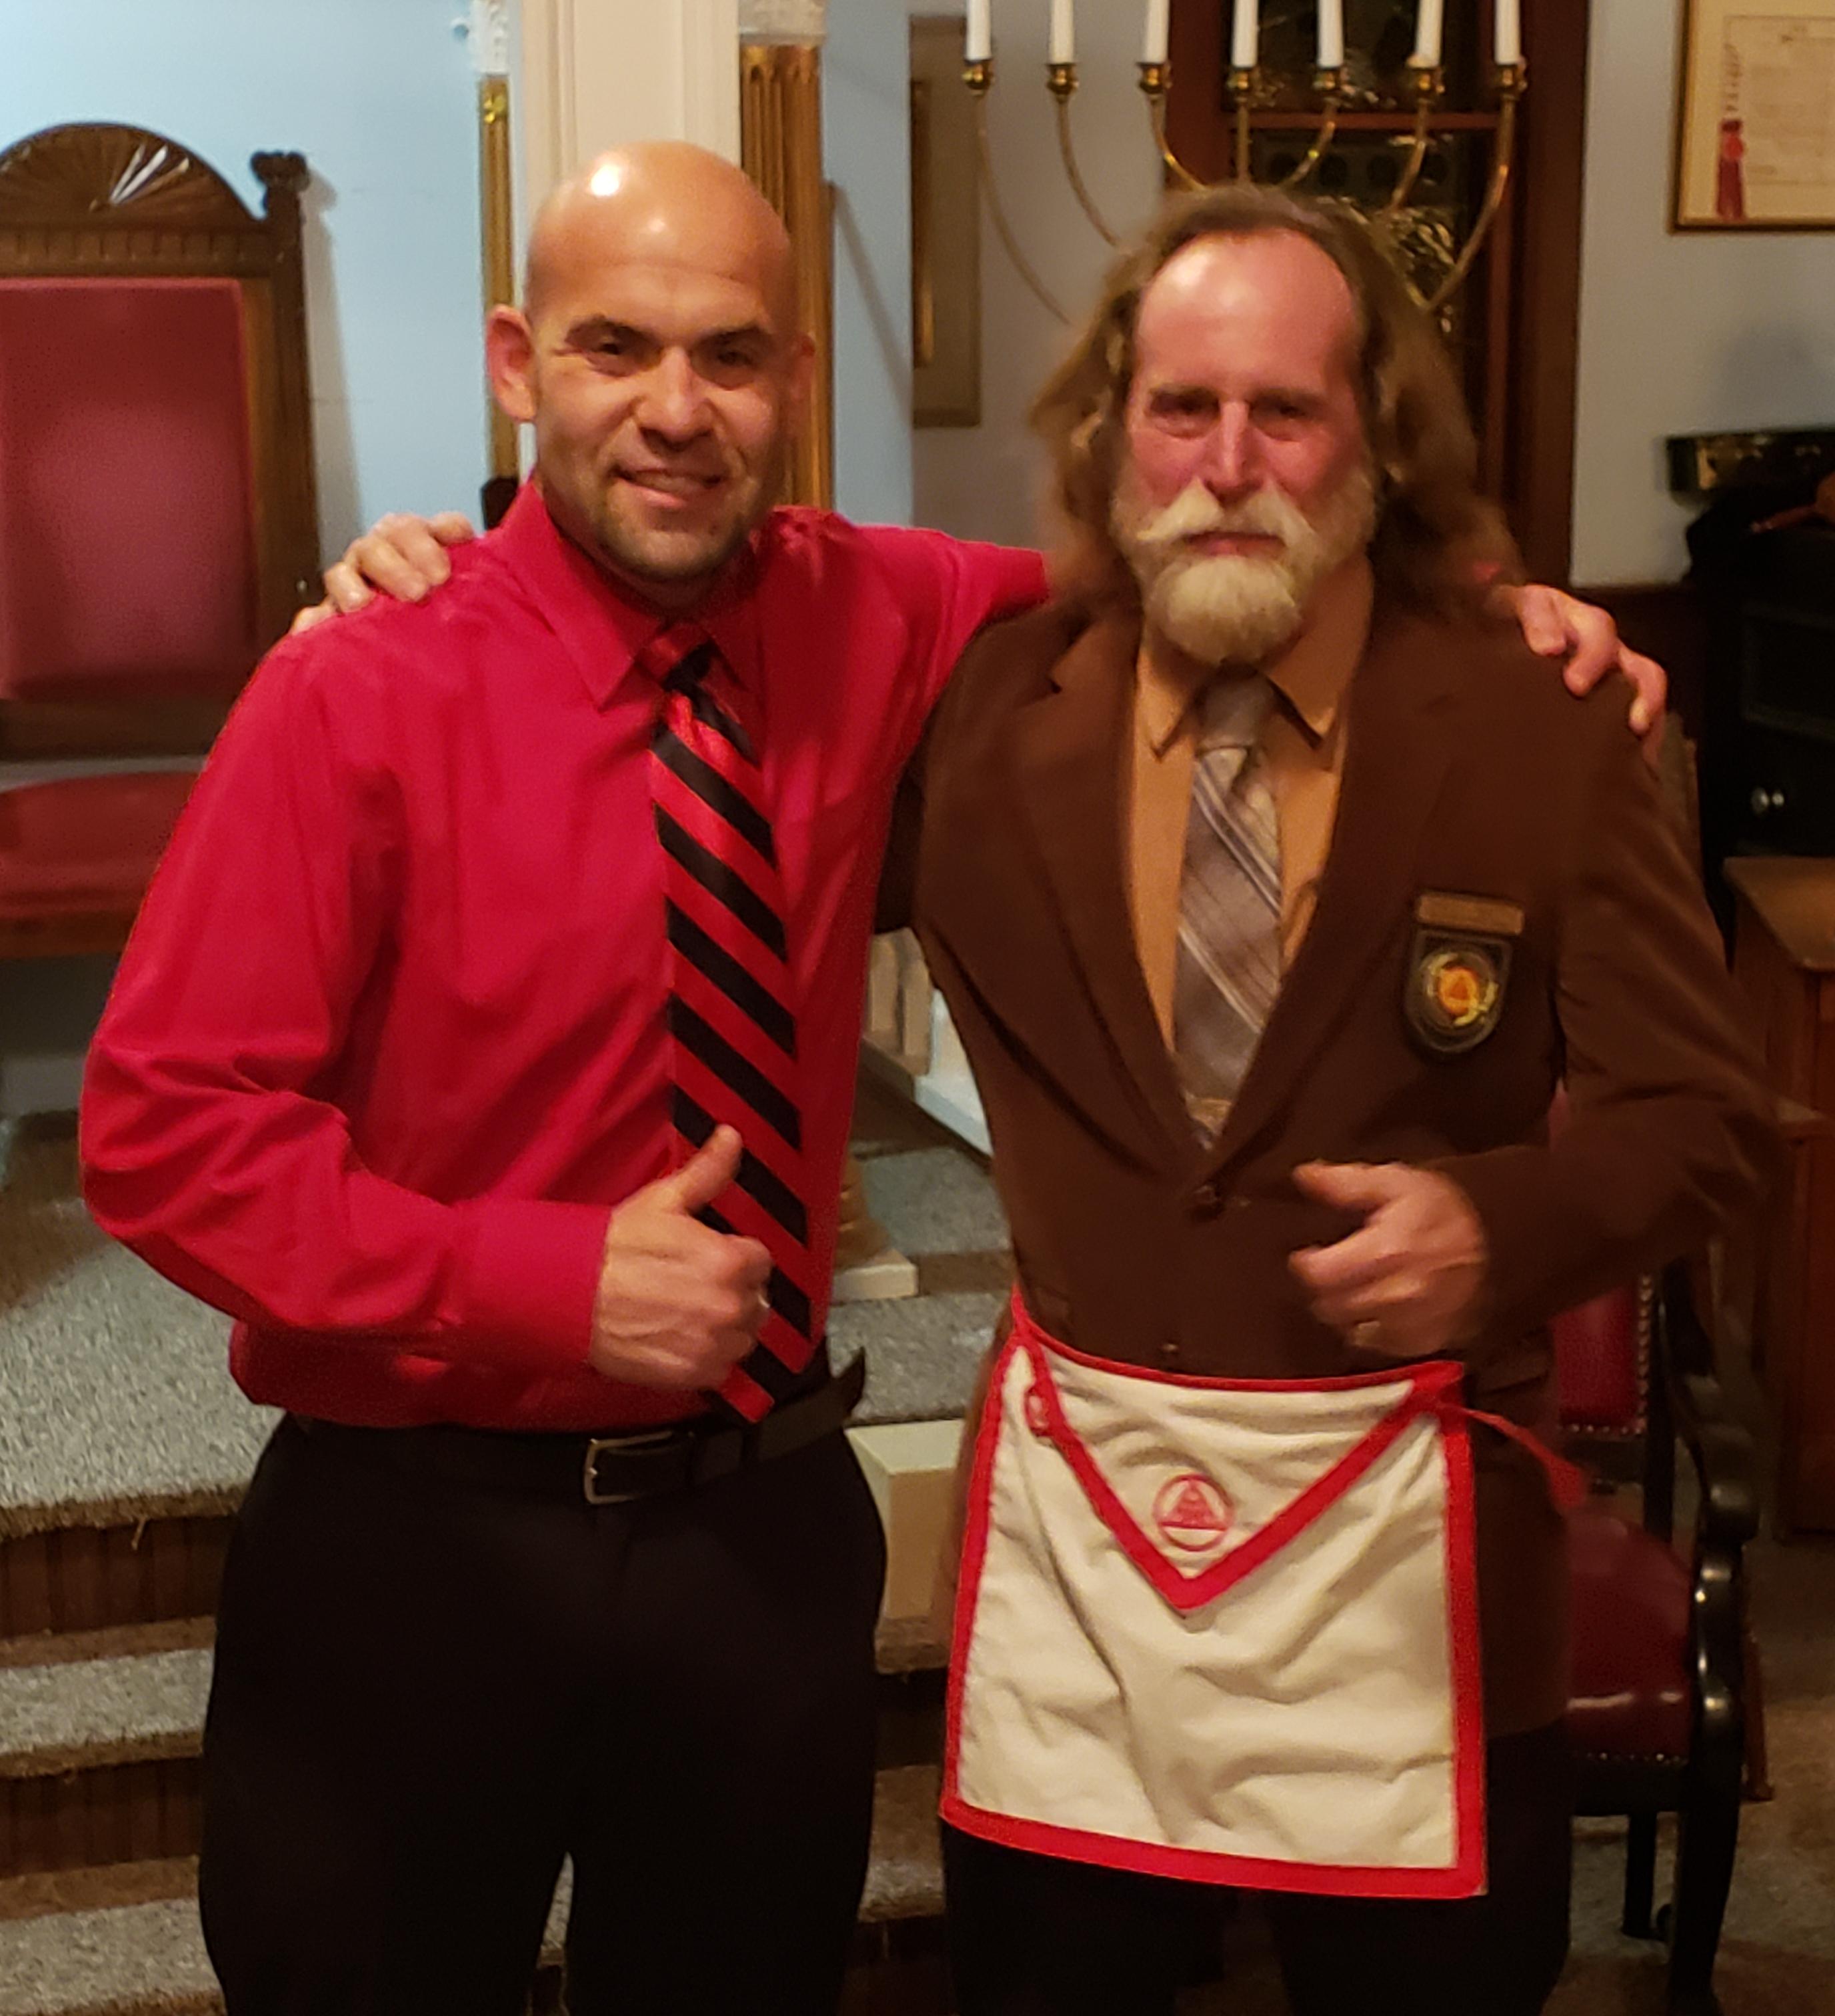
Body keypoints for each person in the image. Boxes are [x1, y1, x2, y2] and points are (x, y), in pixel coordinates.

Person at [87, 143, 1661, 2016]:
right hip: (415, 1548)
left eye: (732, 355)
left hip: (761, 1538)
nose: (678, 410)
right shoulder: (355, 688)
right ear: (516, 363)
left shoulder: (886, 611)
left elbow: (1215, 541)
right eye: (614, 348)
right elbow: (163, 1138)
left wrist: (1492, 603)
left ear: (798, 379)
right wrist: (539, 1281)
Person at [883, 184, 1776, 2016]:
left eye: (1284, 411)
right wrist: (420, 570)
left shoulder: (1541, 720)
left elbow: (1707, 1118)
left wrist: (1500, 1229)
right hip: (1083, 1579)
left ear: (1379, 438)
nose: (1228, 466)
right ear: (1112, 429)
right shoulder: (978, 714)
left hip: (1417, 1576)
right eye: (1181, 408)